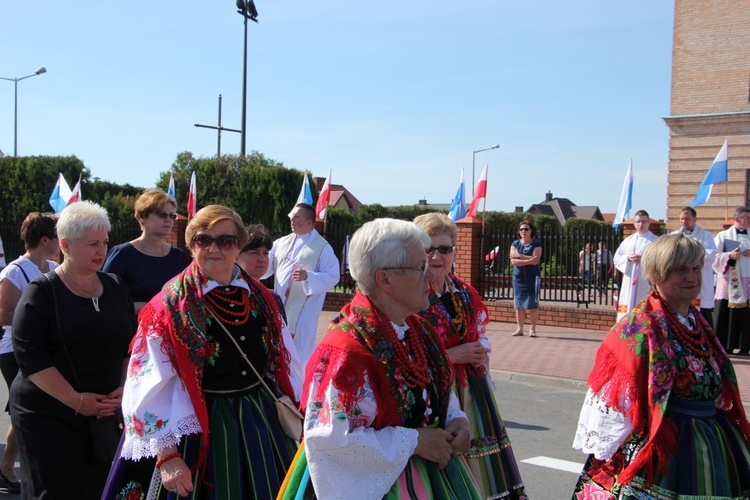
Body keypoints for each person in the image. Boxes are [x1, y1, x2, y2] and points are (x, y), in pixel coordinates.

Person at [102, 205, 301, 500]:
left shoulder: (262, 298)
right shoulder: (168, 306)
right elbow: (146, 384)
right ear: (191, 244)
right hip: (194, 427)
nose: (213, 248)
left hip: (259, 420)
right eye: (203, 240)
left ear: (239, 245)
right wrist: (168, 456)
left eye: (225, 241)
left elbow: (285, 364)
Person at [278, 218, 481, 499]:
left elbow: (433, 391)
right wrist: (414, 441)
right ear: (384, 278)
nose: (431, 276)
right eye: (419, 267)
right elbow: (332, 441)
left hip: (434, 477)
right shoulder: (346, 352)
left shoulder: (419, 331)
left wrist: (457, 419)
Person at [572, 234, 750, 499]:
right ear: (656, 275)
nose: (692, 277)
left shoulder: (697, 322)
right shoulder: (638, 326)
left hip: (711, 442)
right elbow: (614, 398)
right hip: (664, 446)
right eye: (680, 270)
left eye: (696, 268)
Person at [10, 201, 137, 499]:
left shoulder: (115, 286)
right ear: (65, 245)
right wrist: (76, 401)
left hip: (104, 413)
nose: (102, 251)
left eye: (105, 242)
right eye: (93, 243)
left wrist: (123, 388)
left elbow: (127, 346)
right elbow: (31, 357)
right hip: (50, 415)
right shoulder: (41, 293)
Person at [414, 213, 527, 499]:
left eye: (444, 249)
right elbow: (404, 351)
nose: (436, 256)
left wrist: (480, 349)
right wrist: (453, 355)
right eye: (428, 248)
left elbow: (479, 330)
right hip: (435, 392)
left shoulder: (463, 291)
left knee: (482, 466)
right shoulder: (412, 293)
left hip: (471, 389)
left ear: (454, 251)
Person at [0, 212, 60, 493]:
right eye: (59, 236)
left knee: (23, 411)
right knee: (25, 411)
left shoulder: (52, 266)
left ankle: (7, 463)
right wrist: (41, 318)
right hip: (14, 349)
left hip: (43, 346)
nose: (63, 242)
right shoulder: (15, 271)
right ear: (45, 239)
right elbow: (4, 314)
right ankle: (15, 466)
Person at [262, 202, 339, 365]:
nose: (292, 220)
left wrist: (308, 277)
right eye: (292, 217)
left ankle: (298, 386)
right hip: (280, 304)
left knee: (299, 353)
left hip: (304, 309)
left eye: (296, 217)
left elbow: (333, 276)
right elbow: (266, 268)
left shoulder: (323, 248)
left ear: (309, 223)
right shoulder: (280, 243)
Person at [237, 223, 303, 388]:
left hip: (268, 384)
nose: (261, 259)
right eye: (253, 253)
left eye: (265, 253)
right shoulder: (229, 295)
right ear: (236, 255)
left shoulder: (272, 298)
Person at [102, 189, 187, 314]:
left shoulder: (178, 256)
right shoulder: (122, 254)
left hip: (169, 330)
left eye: (172, 216)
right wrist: (143, 307)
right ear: (142, 217)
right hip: (133, 329)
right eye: (162, 214)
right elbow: (106, 298)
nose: (169, 219)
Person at [713, 206, 750, 355]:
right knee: (726, 312)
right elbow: (713, 255)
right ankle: (725, 345)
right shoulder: (723, 236)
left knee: (745, 314)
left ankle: (745, 346)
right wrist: (729, 256)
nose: (749, 221)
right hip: (729, 280)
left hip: (747, 279)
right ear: (736, 219)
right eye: (746, 217)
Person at [670, 206, 716, 325]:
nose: (683, 222)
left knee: (702, 317)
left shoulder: (706, 235)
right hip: (680, 278)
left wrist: (691, 257)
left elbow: (712, 254)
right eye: (681, 219)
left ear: (694, 219)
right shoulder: (674, 236)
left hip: (699, 278)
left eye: (686, 219)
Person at [613, 210, 658, 320]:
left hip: (646, 279)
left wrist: (644, 259)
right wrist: (627, 258)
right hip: (630, 279)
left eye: (643, 221)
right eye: (638, 222)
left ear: (649, 223)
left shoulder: (655, 241)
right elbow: (617, 258)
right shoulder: (628, 241)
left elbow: (660, 259)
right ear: (634, 223)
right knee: (627, 304)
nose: (640, 224)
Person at [510, 220, 542, 337]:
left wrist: (520, 257)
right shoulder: (515, 244)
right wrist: (528, 260)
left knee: (533, 304)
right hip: (518, 278)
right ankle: (519, 329)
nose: (524, 231)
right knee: (519, 305)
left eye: (526, 229)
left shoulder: (536, 244)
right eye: (521, 229)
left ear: (531, 231)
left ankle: (532, 329)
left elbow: (536, 260)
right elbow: (513, 261)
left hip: (533, 278)